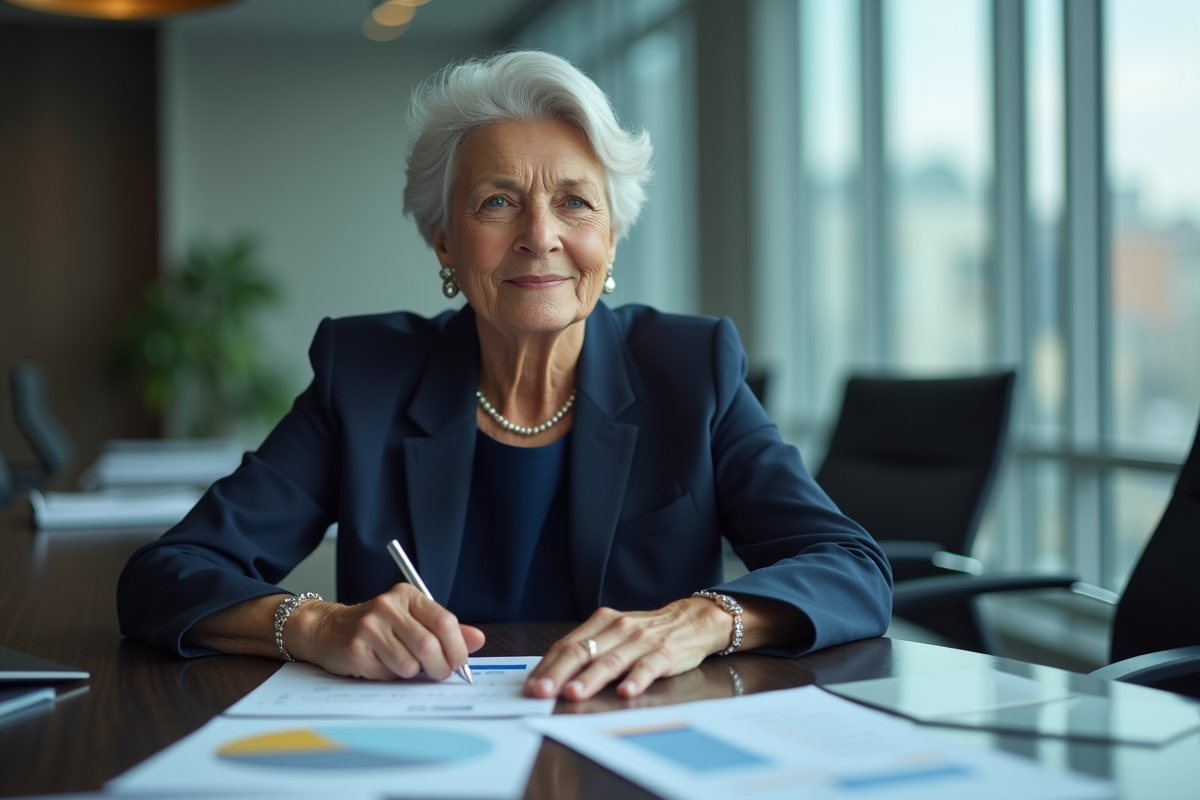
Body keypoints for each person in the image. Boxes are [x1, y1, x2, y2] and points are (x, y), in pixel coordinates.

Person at [117, 50, 891, 702]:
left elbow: (852, 569)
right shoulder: (366, 377)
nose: (541, 237)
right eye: (498, 203)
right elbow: (166, 577)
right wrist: (315, 624)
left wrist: (699, 618)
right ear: (444, 242)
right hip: (422, 755)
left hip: (637, 738)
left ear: (612, 239)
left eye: (575, 203)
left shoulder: (693, 370)